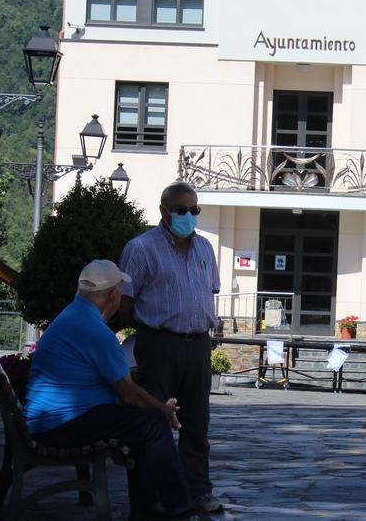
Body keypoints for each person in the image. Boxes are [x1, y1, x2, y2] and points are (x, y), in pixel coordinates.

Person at [23, 259, 194, 520]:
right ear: (113, 295)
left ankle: (146, 508)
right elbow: (128, 393)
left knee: (143, 425)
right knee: (153, 424)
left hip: (53, 418)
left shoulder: (75, 315)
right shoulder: (94, 329)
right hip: (62, 423)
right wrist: (163, 410)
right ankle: (179, 509)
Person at [119, 181, 224, 514]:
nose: (189, 216)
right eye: (182, 210)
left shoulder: (206, 249)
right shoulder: (141, 248)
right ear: (164, 210)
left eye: (195, 210)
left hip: (198, 344)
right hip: (159, 343)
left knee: (197, 423)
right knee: (153, 420)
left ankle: (198, 491)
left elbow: (211, 291)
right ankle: (152, 495)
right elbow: (125, 301)